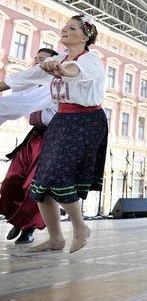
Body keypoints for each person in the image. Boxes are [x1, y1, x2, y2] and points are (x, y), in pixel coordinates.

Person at [0, 13, 107, 253]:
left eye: (71, 27)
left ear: (85, 36)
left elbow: (72, 70)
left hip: (85, 120)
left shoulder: (91, 60)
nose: (64, 29)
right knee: (41, 182)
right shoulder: (58, 59)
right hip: (62, 120)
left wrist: (59, 68)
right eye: (65, 26)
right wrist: (52, 66)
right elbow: (20, 79)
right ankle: (55, 238)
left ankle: (80, 228)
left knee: (59, 175)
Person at [0, 48, 58, 244]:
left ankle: (29, 228)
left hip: (49, 140)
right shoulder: (35, 84)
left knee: (32, 185)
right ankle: (17, 219)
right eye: (36, 60)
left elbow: (20, 104)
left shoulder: (53, 86)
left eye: (43, 60)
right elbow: (17, 92)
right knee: (11, 181)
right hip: (33, 137)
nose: (37, 64)